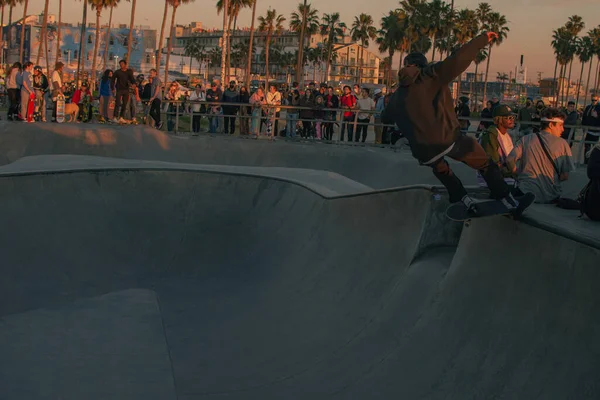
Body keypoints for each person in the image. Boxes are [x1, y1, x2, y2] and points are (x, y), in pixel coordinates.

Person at [382, 31, 527, 215]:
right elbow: (458, 59)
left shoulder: (396, 96)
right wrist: (481, 40)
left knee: (441, 169)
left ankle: (461, 198)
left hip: (423, 151)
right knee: (484, 163)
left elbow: (385, 117)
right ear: (421, 66)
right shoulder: (430, 75)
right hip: (448, 139)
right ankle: (507, 198)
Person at [506, 108, 575, 204]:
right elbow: (564, 176)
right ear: (551, 125)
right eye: (560, 125)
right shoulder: (563, 144)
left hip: (525, 191)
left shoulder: (526, 139)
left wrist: (516, 173)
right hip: (551, 195)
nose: (563, 129)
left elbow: (509, 160)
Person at [477, 105, 523, 195]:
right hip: (492, 180)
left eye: (513, 117)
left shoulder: (506, 135)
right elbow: (492, 165)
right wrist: (514, 173)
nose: (512, 120)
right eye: (509, 118)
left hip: (504, 176)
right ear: (499, 120)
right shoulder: (491, 136)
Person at [582, 95, 600, 164]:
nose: (593, 102)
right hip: (588, 131)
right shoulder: (588, 107)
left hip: (596, 132)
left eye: (595, 100)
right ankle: (586, 162)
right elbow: (584, 117)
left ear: (598, 100)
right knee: (587, 147)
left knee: (595, 148)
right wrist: (583, 126)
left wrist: (597, 116)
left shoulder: (599, 108)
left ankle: (594, 163)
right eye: (592, 100)